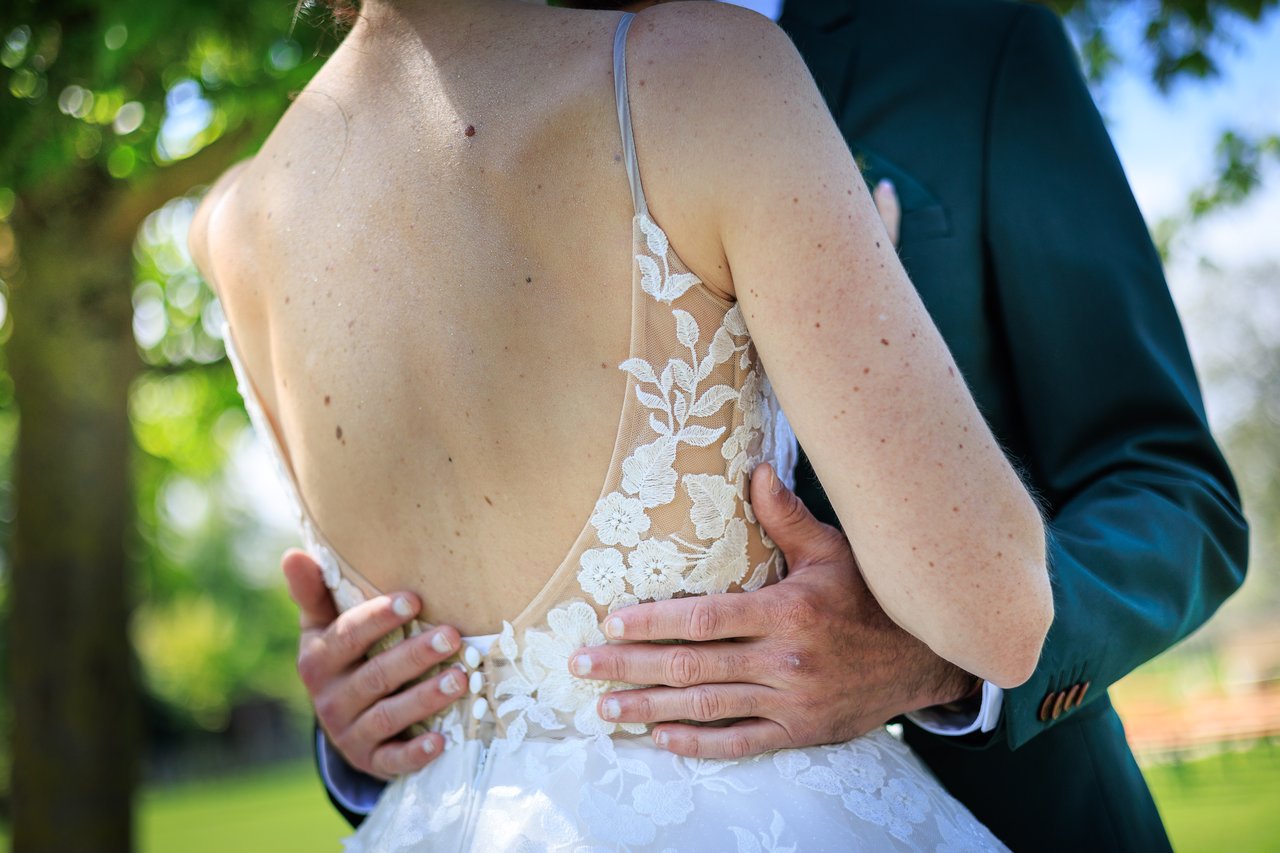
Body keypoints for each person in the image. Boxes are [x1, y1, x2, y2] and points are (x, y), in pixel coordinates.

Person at [287, 0, 1251, 850]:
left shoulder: (977, 52)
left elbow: (1170, 484)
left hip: (1016, 810)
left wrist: (939, 662)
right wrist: (372, 721)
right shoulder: (447, 107)